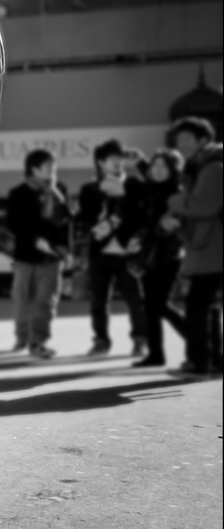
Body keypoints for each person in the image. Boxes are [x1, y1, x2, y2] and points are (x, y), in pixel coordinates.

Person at [165, 117, 223, 378]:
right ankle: (212, 362)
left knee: (197, 307)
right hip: (208, 248)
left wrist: (175, 200)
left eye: (187, 139)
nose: (181, 145)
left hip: (213, 249)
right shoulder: (200, 166)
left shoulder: (212, 168)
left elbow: (202, 206)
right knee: (208, 308)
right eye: (178, 140)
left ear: (203, 140)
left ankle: (200, 363)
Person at [78, 139, 148, 357]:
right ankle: (101, 341)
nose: (118, 163)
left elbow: (145, 214)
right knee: (99, 301)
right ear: (100, 162)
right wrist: (103, 197)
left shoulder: (134, 185)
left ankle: (140, 340)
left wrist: (142, 164)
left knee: (136, 300)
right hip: (100, 253)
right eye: (112, 159)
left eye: (121, 158)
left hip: (128, 252)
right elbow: (85, 219)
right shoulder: (89, 189)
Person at [6, 149, 72, 359]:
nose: (54, 170)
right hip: (25, 257)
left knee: (46, 302)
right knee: (23, 300)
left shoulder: (59, 189)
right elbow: (14, 224)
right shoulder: (18, 193)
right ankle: (22, 336)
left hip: (51, 258)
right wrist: (35, 239)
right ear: (34, 169)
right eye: (48, 166)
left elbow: (66, 222)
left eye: (54, 166)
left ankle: (38, 342)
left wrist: (55, 194)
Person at [131, 149, 186, 367]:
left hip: (169, 256)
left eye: (164, 166)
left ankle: (201, 344)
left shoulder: (177, 193)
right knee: (149, 306)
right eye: (155, 166)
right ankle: (156, 355)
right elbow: (149, 173)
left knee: (160, 305)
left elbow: (173, 227)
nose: (158, 170)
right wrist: (141, 162)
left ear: (173, 170)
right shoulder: (151, 189)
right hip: (148, 255)